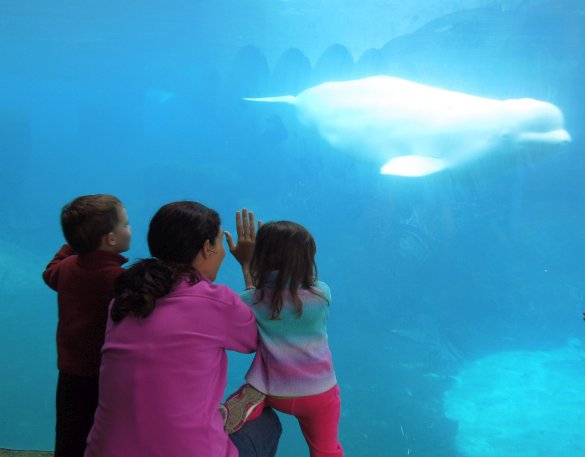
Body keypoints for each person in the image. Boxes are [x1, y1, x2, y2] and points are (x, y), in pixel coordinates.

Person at [84, 202, 281, 457]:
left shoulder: (124, 300)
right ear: (207, 248)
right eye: (219, 242)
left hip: (104, 451)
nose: (223, 252)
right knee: (266, 423)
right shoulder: (217, 302)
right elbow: (260, 337)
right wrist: (249, 266)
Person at [223, 221, 344, 457]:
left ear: (262, 258)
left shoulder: (252, 300)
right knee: (327, 450)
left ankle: (241, 406)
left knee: (254, 391)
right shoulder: (322, 294)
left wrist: (247, 264)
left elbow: (251, 302)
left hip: (274, 391)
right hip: (319, 393)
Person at [42, 194, 132, 457]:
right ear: (111, 239)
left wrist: (75, 243)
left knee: (69, 436)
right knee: (105, 436)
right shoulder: (118, 279)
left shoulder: (67, 267)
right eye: (126, 224)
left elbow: (49, 272)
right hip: (105, 375)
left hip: (69, 373)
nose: (130, 229)